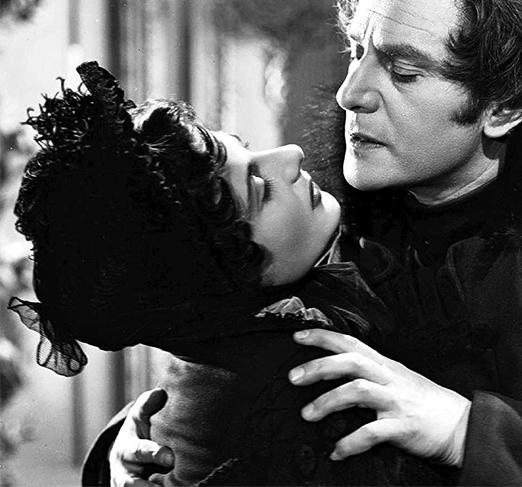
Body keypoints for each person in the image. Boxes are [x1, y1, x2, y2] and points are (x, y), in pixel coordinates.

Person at [107, 0, 522, 486]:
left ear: (504, 106)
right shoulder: (306, 232)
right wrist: (135, 447)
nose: (350, 93)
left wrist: (464, 432)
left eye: (403, 72)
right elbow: (222, 373)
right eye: (357, 51)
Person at [9, 61, 446, 486]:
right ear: (218, 279)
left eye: (247, 147)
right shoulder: (303, 391)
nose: (291, 155)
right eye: (261, 190)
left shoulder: (247, 337)